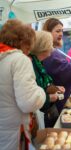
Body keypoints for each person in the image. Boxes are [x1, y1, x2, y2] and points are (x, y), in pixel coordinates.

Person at [0, 19, 46, 149]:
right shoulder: (19, 60)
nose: (28, 51)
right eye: (28, 47)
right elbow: (29, 103)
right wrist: (40, 91)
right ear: (22, 42)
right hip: (14, 133)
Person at [30, 31, 65, 127]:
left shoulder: (38, 63)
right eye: (50, 45)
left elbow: (43, 85)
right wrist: (49, 98)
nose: (52, 48)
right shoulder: (31, 64)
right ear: (43, 47)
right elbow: (31, 94)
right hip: (35, 115)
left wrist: (55, 88)